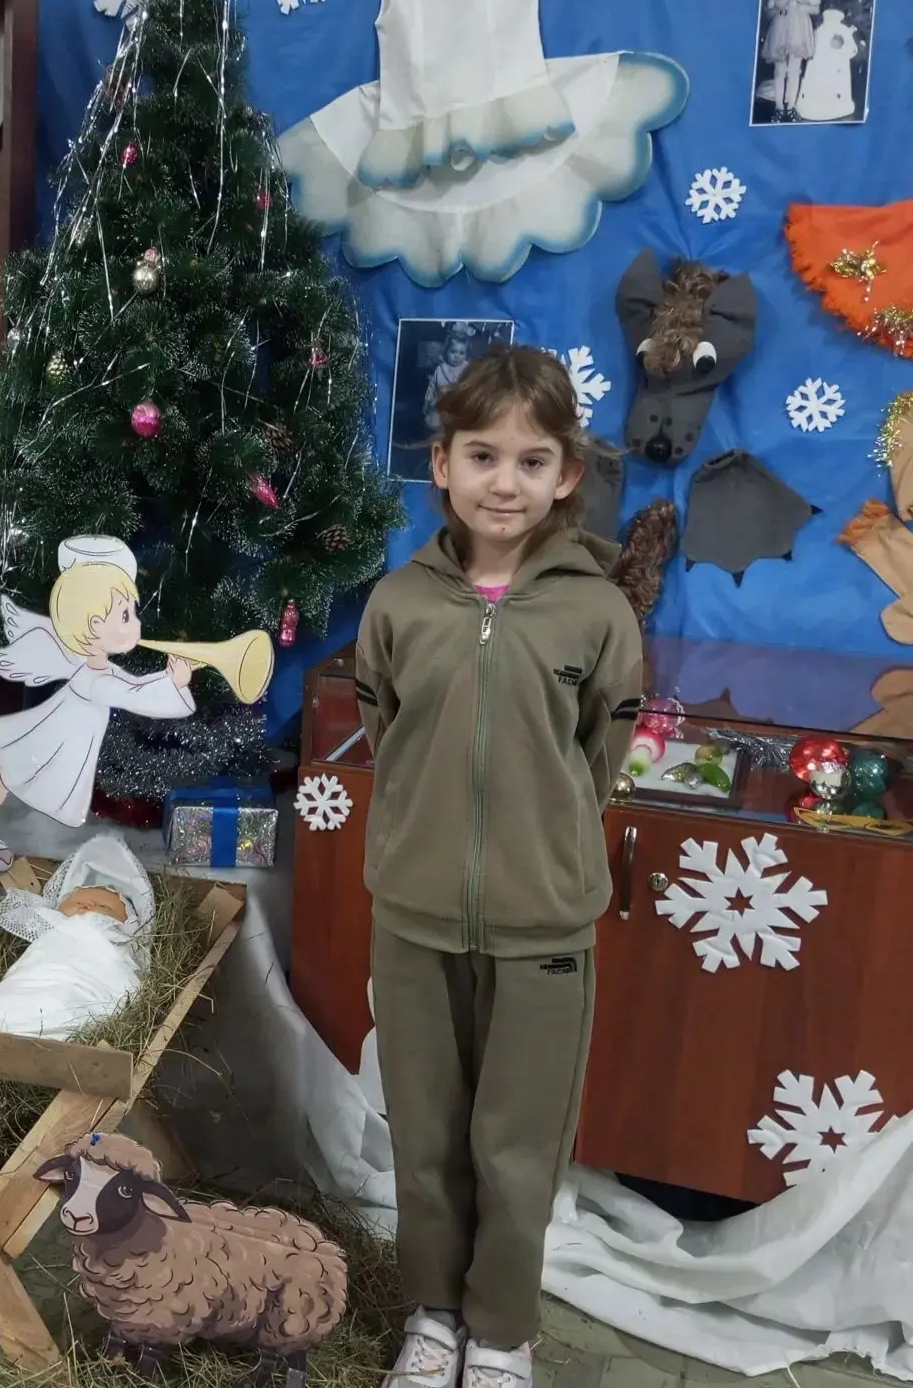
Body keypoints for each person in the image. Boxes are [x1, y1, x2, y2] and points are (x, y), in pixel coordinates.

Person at [354, 347, 643, 1388]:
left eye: (532, 460)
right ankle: (433, 1316)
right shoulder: (398, 604)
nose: (505, 482)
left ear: (567, 474)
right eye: (482, 455)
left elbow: (598, 754)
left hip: (542, 928)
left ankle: (501, 1329)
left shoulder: (596, 613)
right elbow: (387, 733)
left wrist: (541, 847)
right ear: (441, 463)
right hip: (415, 917)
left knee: (517, 1145)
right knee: (426, 1136)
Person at [0, 535, 195, 827]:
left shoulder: (100, 669)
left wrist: (170, 679)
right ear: (94, 625)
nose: (137, 623)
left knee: (30, 751)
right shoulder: (99, 683)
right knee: (34, 754)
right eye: (125, 615)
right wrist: (175, 685)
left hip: (71, 726)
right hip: (71, 729)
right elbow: (135, 695)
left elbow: (135, 684)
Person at [760, 0, 820, 121]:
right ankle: (779, 108)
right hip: (780, 31)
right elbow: (769, 11)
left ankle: (791, 106)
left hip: (799, 30)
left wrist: (798, 5)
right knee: (779, 70)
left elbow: (816, 8)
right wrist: (778, 8)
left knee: (794, 69)